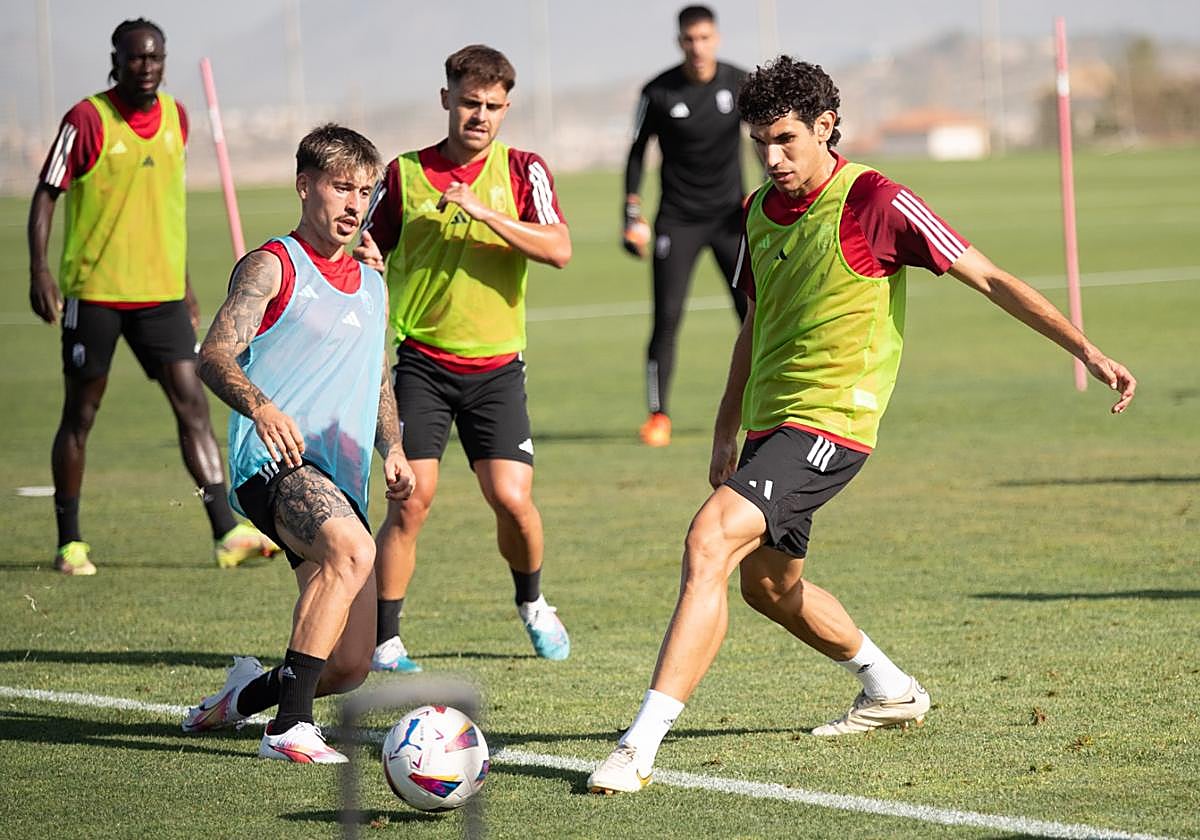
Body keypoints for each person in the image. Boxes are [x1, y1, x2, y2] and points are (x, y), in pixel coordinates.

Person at [588, 56, 1137, 794]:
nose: (772, 158)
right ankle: (890, 688)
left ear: (825, 127)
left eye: (785, 140)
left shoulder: (877, 200)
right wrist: (725, 423)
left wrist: (1086, 347)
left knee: (707, 538)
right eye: (760, 144)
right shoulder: (757, 212)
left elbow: (992, 277)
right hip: (768, 426)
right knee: (770, 589)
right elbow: (756, 319)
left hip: (832, 425)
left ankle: (638, 746)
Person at [181, 124, 415, 763]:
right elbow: (214, 356)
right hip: (274, 464)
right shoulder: (272, 265)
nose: (354, 204)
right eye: (342, 188)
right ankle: (288, 728)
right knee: (350, 547)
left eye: (365, 192)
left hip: (341, 477)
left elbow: (377, 376)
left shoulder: (372, 281)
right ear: (304, 185)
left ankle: (238, 699)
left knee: (349, 664)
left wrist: (391, 447)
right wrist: (260, 406)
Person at [26, 17, 277, 575]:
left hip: (162, 297)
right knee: (81, 414)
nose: (147, 67)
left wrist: (184, 285)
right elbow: (46, 196)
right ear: (115, 60)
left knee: (193, 404)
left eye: (155, 57)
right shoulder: (87, 119)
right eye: (136, 58)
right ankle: (70, 542)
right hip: (96, 294)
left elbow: (161, 208)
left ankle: (225, 533)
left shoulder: (177, 119)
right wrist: (39, 270)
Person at [354, 44, 572, 673]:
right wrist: (368, 262)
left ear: (507, 108)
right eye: (470, 102)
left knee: (511, 499)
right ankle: (385, 638)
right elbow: (367, 246)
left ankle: (531, 602)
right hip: (422, 361)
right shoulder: (404, 173)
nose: (481, 115)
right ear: (446, 99)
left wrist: (486, 212)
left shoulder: (524, 169)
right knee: (410, 497)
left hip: (498, 367)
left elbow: (558, 248)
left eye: (494, 106)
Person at [624, 5, 749, 448]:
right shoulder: (657, 91)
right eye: (689, 40)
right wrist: (631, 215)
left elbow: (768, 136)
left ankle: (761, 407)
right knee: (667, 319)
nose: (698, 47)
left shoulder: (739, 83)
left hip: (731, 220)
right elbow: (637, 153)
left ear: (716, 38)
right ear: (680, 42)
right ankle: (658, 415)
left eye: (705, 38)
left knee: (752, 313)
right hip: (677, 221)